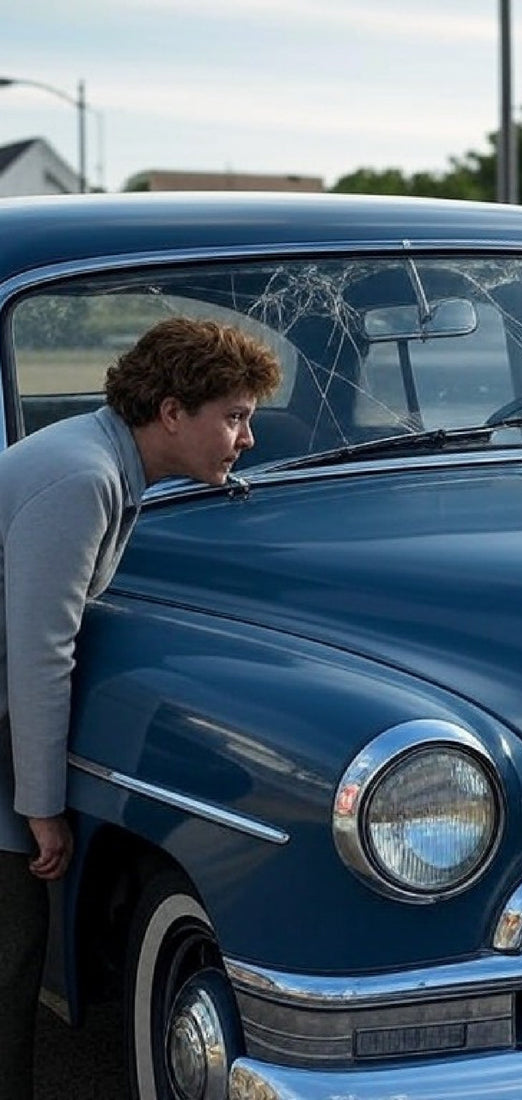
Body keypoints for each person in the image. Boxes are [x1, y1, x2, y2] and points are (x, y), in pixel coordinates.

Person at [0, 316, 281, 1100]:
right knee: (11, 943)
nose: (247, 439)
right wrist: (44, 807)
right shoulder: (83, 478)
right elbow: (41, 652)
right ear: (169, 412)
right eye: (233, 416)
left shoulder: (98, 461)